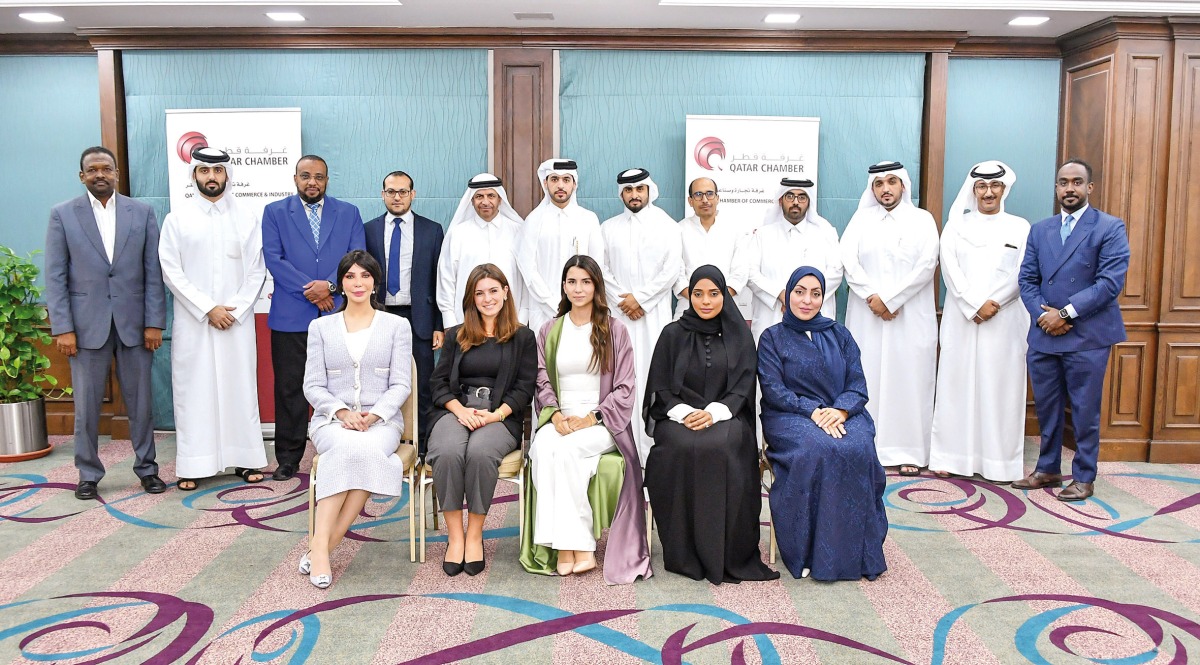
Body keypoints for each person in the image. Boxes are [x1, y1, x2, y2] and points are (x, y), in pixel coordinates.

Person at [44, 146, 168, 500]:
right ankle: (88, 474)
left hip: (135, 325)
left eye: (106, 168)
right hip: (84, 328)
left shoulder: (141, 212)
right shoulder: (63, 214)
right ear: (82, 175)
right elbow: (55, 275)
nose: (100, 174)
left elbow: (153, 272)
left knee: (141, 404)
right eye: (93, 169)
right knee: (86, 407)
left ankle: (147, 469)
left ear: (117, 173)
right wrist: (63, 328)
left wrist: (154, 322)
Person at [643, 265, 778, 584]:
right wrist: (683, 412)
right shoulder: (672, 334)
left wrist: (715, 412)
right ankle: (685, 551)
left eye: (714, 294)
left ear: (724, 296)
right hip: (678, 418)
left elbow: (744, 386)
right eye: (698, 293)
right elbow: (660, 386)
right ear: (689, 295)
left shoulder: (739, 335)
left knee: (721, 445)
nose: (705, 301)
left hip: (727, 416)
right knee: (679, 446)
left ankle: (725, 551)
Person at [522, 255, 652, 583]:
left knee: (567, 451)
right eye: (572, 282)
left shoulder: (614, 330)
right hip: (559, 416)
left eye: (585, 282)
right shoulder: (550, 330)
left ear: (596, 287)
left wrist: (592, 417)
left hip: (602, 421)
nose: (578, 289)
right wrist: (555, 416)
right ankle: (566, 548)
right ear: (563, 287)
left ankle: (578, 546)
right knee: (542, 449)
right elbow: (541, 379)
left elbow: (625, 387)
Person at [758, 266, 888, 581]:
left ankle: (860, 553)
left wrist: (840, 411)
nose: (807, 300)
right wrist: (812, 410)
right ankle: (806, 551)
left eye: (815, 294)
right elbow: (773, 389)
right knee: (817, 450)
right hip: (789, 415)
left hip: (843, 413)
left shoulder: (840, 334)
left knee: (857, 447)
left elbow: (857, 384)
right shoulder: (772, 338)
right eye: (799, 292)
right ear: (788, 294)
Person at [1015, 159, 1130, 501]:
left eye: (1077, 182)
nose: (1069, 188)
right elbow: (1027, 279)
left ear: (1089, 187)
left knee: (1084, 410)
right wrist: (1043, 316)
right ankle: (1047, 469)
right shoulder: (1040, 230)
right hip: (1045, 335)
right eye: (1063, 182)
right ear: (1056, 188)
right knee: (1047, 407)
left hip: (1088, 336)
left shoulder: (1109, 227)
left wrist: (1064, 313)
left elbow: (1109, 284)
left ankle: (1083, 476)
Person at [300, 250, 413, 588]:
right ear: (341, 283)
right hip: (331, 421)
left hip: (382, 422)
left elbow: (401, 384)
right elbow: (312, 385)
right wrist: (342, 412)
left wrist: (375, 415)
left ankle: (322, 546)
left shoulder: (397, 326)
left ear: (375, 282)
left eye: (365, 276)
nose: (358, 283)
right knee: (348, 447)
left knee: (364, 449)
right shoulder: (321, 327)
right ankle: (323, 548)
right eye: (350, 276)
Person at [158, 147, 268, 490]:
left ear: (227, 175)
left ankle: (246, 459)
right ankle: (194, 464)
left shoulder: (246, 217)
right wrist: (208, 308)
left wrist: (234, 308)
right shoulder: (177, 219)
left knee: (239, 388)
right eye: (204, 171)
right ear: (194, 175)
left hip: (236, 321)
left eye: (218, 171)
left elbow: (257, 269)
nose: (211, 177)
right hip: (195, 322)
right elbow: (170, 271)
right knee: (195, 391)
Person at [427, 263, 536, 576]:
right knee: (447, 452)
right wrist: (460, 411)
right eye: (479, 293)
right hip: (457, 409)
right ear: (471, 298)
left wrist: (495, 415)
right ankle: (455, 536)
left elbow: (524, 388)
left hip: (500, 414)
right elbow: (438, 382)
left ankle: (474, 534)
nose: (487, 298)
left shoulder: (523, 337)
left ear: (505, 292)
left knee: (480, 453)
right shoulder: (456, 335)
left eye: (493, 291)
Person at [262, 155, 366, 481]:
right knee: (290, 387)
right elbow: (274, 259)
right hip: (291, 315)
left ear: (327, 180)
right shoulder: (275, 212)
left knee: (341, 385)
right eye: (306, 176)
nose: (312, 182)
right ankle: (289, 457)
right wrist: (312, 290)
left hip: (337, 313)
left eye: (319, 177)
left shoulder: (348, 213)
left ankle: (342, 450)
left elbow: (357, 257)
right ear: (295, 178)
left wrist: (331, 287)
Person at [929, 161, 1031, 482]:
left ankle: (999, 463)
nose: (988, 192)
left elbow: (1023, 272)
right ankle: (951, 457)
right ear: (973, 190)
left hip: (1004, 319)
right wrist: (974, 305)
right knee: (956, 385)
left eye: (995, 186)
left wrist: (993, 303)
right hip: (963, 318)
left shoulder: (1020, 227)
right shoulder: (956, 226)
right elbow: (950, 269)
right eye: (982, 186)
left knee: (1000, 388)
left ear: (1004, 189)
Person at [839, 161, 939, 477]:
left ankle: (910, 451)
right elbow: (848, 261)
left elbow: (927, 264)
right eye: (879, 183)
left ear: (903, 186)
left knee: (909, 380)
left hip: (910, 317)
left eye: (892, 182)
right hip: (868, 316)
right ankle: (865, 448)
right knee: (866, 377)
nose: (885, 189)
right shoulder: (860, 220)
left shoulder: (922, 220)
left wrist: (891, 300)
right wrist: (873, 296)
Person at [600, 168, 683, 465]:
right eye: (628, 190)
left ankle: (651, 452)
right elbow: (601, 269)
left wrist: (641, 300)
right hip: (619, 315)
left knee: (652, 375)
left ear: (649, 191)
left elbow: (671, 270)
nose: (634, 195)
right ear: (621, 194)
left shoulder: (668, 225)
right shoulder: (608, 228)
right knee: (620, 377)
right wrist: (623, 300)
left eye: (639, 189)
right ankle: (621, 447)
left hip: (654, 316)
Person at [363, 170, 445, 452]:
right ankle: (385, 441)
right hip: (380, 315)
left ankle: (421, 446)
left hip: (418, 318)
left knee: (421, 384)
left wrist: (438, 324)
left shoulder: (432, 230)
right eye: (391, 192)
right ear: (382, 194)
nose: (396, 197)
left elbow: (438, 279)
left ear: (413, 194)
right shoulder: (369, 230)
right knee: (381, 382)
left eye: (402, 191)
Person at [747, 178, 843, 342]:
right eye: (790, 196)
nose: (796, 202)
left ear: (809, 202)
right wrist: (781, 295)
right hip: (773, 315)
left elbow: (836, 272)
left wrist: (805, 298)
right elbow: (751, 273)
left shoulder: (825, 234)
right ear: (780, 200)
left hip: (813, 316)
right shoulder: (763, 235)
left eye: (802, 197)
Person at [516, 159, 605, 333]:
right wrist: (554, 305)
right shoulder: (533, 220)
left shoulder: (588, 219)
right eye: (554, 179)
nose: (560, 185)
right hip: (543, 311)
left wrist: (577, 303)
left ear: (574, 184)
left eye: (566, 179)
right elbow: (528, 268)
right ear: (545, 183)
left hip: (582, 308)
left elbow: (596, 266)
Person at [437, 174, 525, 328]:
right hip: (465, 321)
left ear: (500, 199)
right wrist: (449, 321)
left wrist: (522, 319)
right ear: (471, 200)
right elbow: (446, 278)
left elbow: (526, 279)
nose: (485, 202)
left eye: (491, 195)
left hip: (511, 320)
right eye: (479, 196)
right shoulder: (458, 233)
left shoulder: (519, 231)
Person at [674, 177, 748, 319]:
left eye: (709, 194)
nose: (705, 200)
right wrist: (698, 299)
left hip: (726, 307)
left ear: (717, 198)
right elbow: (677, 275)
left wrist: (716, 299)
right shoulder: (679, 230)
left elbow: (740, 272)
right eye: (698, 194)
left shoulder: (735, 229)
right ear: (690, 201)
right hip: (688, 308)